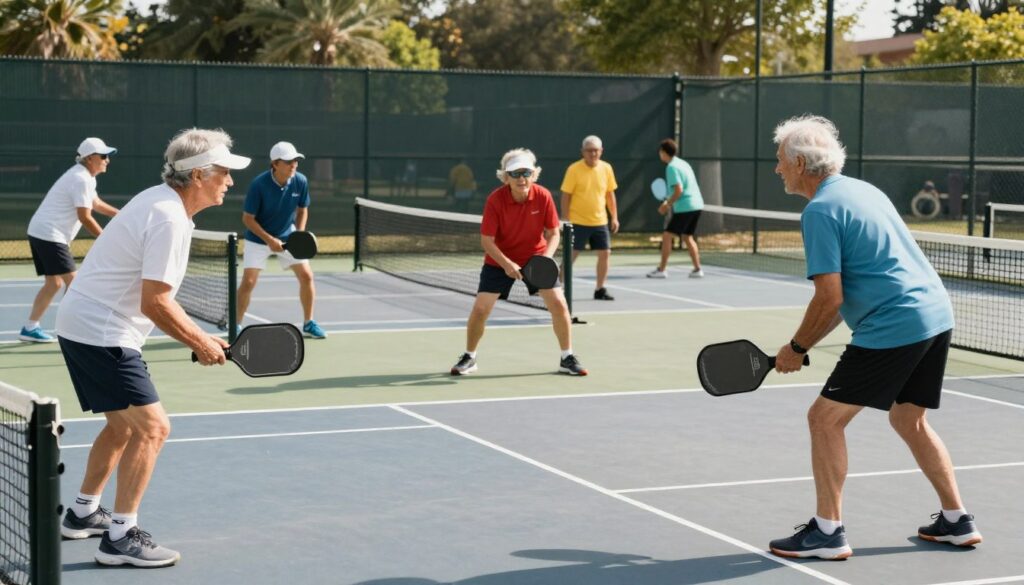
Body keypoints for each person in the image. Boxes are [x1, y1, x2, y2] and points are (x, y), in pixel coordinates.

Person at [767, 115, 981, 560]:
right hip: (935, 315)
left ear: (802, 164)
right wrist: (799, 346)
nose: (777, 169)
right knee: (909, 419)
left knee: (824, 419)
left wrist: (796, 349)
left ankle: (828, 532)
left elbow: (829, 298)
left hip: (896, 322)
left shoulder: (820, 211)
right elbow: (840, 304)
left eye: (781, 161)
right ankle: (958, 521)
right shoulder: (864, 190)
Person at [55, 128, 251, 567]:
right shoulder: (168, 216)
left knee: (124, 427)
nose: (230, 181)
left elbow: (156, 298)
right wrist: (199, 342)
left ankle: (83, 513)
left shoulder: (162, 204)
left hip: (85, 325)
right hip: (101, 332)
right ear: (198, 174)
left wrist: (201, 337)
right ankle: (121, 537)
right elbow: (156, 302)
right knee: (153, 428)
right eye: (223, 172)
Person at [450, 148, 587, 377]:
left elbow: (554, 233)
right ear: (506, 177)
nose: (521, 178)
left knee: (560, 305)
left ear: (534, 175)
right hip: (499, 260)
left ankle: (567, 357)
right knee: (481, 309)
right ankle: (469, 356)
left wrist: (545, 258)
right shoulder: (495, 200)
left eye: (526, 173)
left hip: (535, 258)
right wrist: (506, 264)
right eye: (515, 174)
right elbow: (487, 241)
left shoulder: (543, 196)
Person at [21, 138, 120, 342]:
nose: (107, 160)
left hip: (41, 232)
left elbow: (96, 203)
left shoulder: (85, 177)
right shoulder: (81, 178)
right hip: (50, 234)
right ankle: (70, 331)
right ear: (90, 158)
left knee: (54, 283)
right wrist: (104, 240)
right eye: (103, 156)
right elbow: (85, 216)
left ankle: (30, 328)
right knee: (73, 282)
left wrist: (121, 214)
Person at [235, 141, 326, 339]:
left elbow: (303, 210)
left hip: (288, 235)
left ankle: (309, 323)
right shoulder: (259, 184)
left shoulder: (300, 181)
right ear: (275, 164)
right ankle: (236, 325)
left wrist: (298, 236)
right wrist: (269, 240)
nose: (293, 164)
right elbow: (247, 219)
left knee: (307, 276)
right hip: (258, 239)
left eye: (295, 160)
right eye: (288, 161)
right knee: (248, 282)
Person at [560, 135, 619, 300]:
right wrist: (566, 218)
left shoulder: (607, 168)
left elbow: (610, 194)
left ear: (601, 151)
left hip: (600, 222)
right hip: (578, 222)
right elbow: (566, 195)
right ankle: (556, 288)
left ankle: (600, 289)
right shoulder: (573, 169)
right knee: (570, 256)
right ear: (583, 152)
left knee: (605, 253)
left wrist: (614, 217)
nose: (593, 154)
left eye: (596, 150)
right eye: (589, 151)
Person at [648, 138, 704, 279]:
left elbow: (678, 190)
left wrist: (667, 205)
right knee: (687, 236)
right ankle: (697, 269)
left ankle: (661, 270)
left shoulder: (671, 167)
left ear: (663, 152)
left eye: (660, 152)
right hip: (697, 205)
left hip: (686, 207)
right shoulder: (683, 163)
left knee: (667, 236)